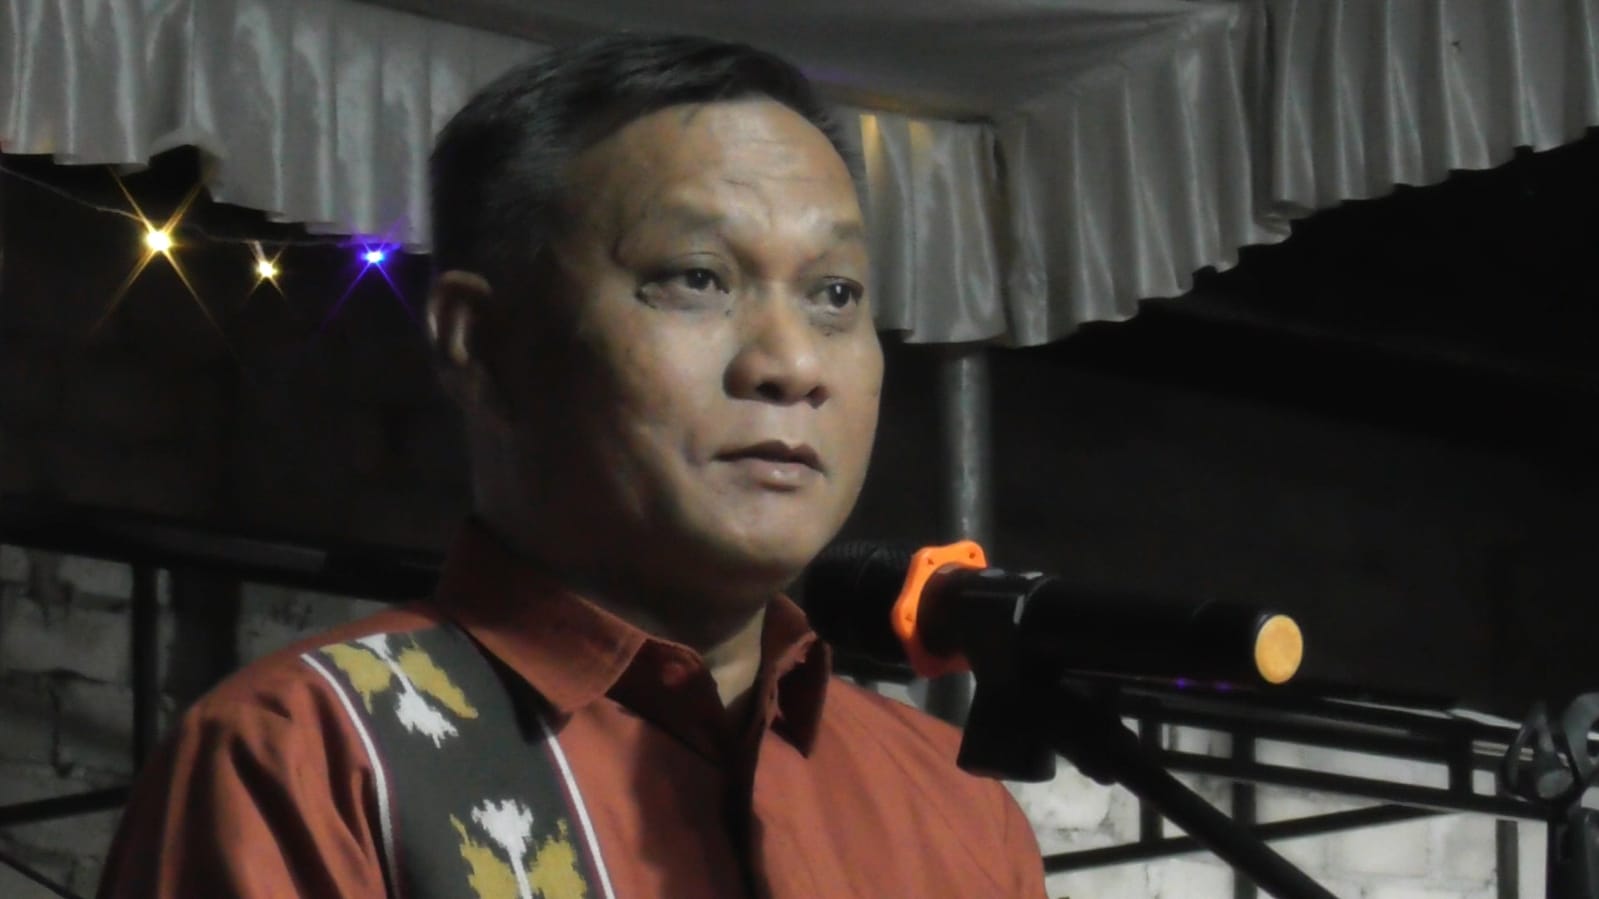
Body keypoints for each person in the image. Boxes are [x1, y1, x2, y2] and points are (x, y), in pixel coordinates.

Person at [99, 32, 1047, 898]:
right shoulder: (312, 760)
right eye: (696, 278)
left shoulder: (954, 811)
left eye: (834, 293)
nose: (790, 363)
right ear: (480, 344)